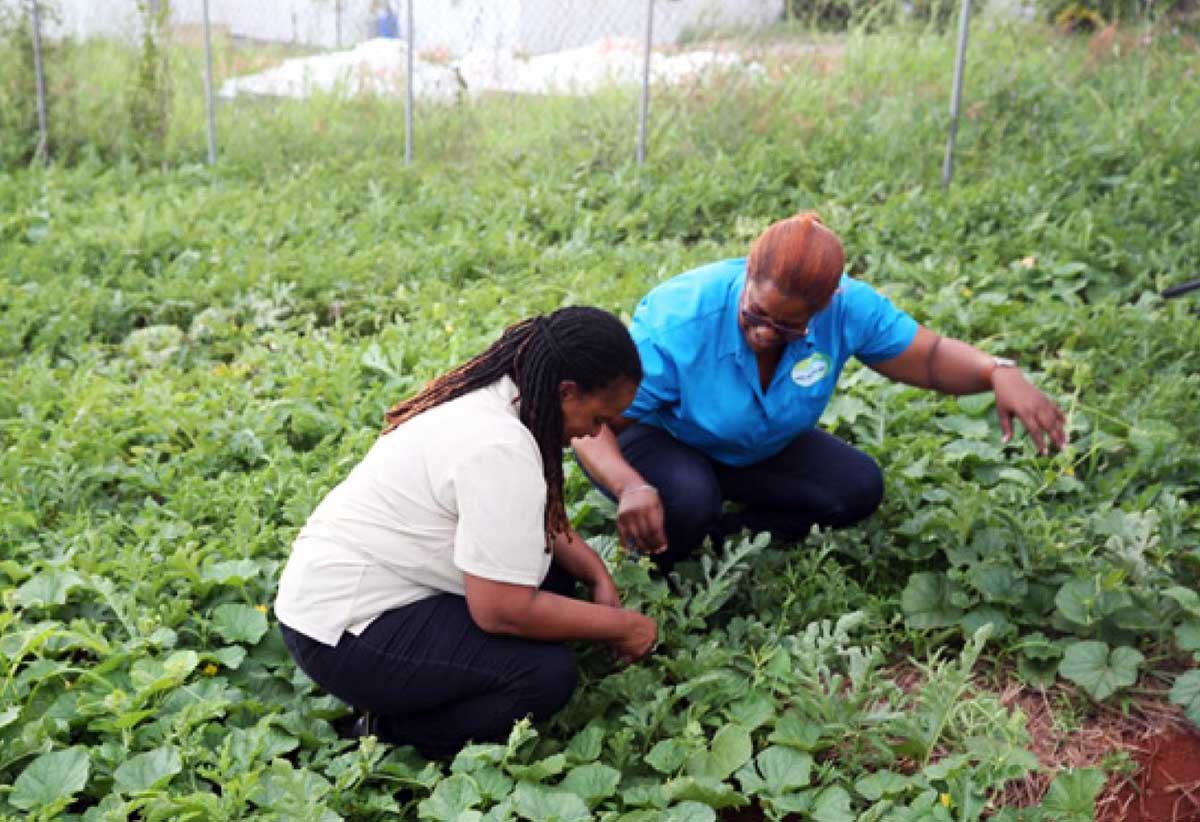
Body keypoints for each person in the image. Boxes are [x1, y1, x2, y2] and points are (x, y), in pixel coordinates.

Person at [573, 212, 1067, 573]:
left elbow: (930, 357)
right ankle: (671, 540)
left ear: (826, 304)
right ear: (747, 275)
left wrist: (997, 371)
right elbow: (590, 426)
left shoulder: (848, 307)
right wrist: (629, 486)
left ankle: (722, 533)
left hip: (755, 445)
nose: (766, 333)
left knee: (856, 488)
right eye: (755, 314)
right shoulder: (680, 317)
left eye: (787, 327)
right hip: (662, 438)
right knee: (685, 499)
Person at [274, 307, 657, 759]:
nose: (592, 434)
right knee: (543, 676)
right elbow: (501, 611)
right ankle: (389, 729)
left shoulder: (499, 396)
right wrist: (623, 626)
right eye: (596, 419)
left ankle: (419, 689)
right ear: (566, 391)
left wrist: (596, 575)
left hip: (351, 592)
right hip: (345, 634)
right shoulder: (499, 446)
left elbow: (532, 522)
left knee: (555, 580)